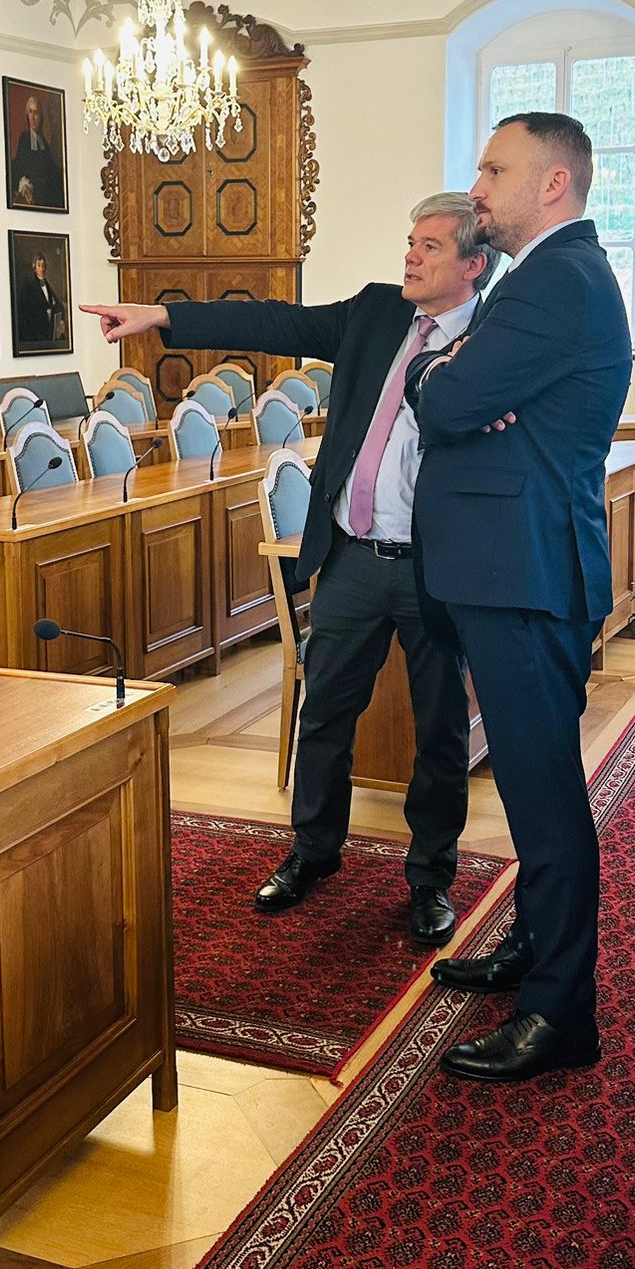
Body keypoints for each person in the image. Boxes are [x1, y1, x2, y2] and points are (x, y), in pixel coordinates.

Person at [81, 193, 496, 945]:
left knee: (440, 732)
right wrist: (164, 315)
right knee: (324, 711)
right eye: (410, 241)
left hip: (436, 571)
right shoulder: (375, 313)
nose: (410, 255)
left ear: (473, 264)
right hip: (351, 558)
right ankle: (313, 850)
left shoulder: (495, 339)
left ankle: (430, 878)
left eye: (430, 246)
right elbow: (274, 322)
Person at [405, 112, 633, 1083]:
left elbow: (451, 401)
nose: (477, 188)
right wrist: (454, 379)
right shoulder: (542, 276)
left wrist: (442, 375)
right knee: (532, 789)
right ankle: (533, 949)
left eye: (494, 170)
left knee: (543, 800)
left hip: (526, 574)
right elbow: (461, 394)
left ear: (553, 184)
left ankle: (559, 1013)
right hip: (514, 568)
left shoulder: (557, 278)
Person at [11, 92, 64, 208]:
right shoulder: (25, 138)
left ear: (40, 117)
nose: (33, 118)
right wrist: (25, 183)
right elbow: (21, 166)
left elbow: (50, 167)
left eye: (36, 113)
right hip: (34, 189)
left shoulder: (43, 142)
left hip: (45, 189)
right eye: (30, 112)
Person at [18, 251, 66, 346]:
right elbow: (29, 310)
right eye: (39, 265)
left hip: (48, 329)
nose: (42, 269)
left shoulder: (46, 284)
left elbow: (56, 303)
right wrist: (45, 313)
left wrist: (60, 319)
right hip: (36, 332)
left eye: (43, 265)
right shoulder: (30, 286)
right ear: (34, 267)